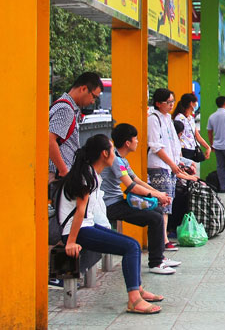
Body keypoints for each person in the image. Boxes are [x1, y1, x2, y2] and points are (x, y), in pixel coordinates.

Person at [57, 134, 164, 315]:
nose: (114, 153)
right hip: (77, 231)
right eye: (112, 149)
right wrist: (70, 242)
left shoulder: (91, 173)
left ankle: (137, 289)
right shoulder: (86, 177)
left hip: (85, 226)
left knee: (133, 245)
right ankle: (134, 299)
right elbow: (79, 212)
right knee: (131, 247)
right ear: (104, 154)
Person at [102, 123, 179, 275]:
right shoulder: (116, 160)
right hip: (110, 205)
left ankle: (159, 257)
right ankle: (155, 263)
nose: (138, 141)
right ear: (127, 143)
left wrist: (160, 194)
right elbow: (131, 187)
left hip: (117, 201)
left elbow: (137, 180)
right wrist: (157, 195)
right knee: (155, 218)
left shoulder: (121, 159)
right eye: (135, 138)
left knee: (156, 210)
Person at [147, 88, 199, 252]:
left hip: (169, 166)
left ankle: (164, 238)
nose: (171, 105)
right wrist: (172, 164)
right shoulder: (153, 119)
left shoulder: (168, 118)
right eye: (168, 102)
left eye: (172, 102)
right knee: (163, 204)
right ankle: (161, 240)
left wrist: (178, 163)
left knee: (167, 204)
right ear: (158, 103)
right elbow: (156, 146)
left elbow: (173, 144)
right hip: (159, 166)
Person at [49, 72, 104, 180]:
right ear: (83, 89)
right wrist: (64, 171)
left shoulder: (66, 107)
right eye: (94, 97)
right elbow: (50, 140)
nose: (93, 101)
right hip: (58, 176)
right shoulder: (66, 110)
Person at [173, 93, 211, 162]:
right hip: (183, 150)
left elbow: (197, 135)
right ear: (191, 103)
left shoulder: (191, 118)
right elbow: (176, 137)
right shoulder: (179, 118)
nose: (196, 104)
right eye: (195, 102)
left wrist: (208, 147)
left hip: (192, 150)